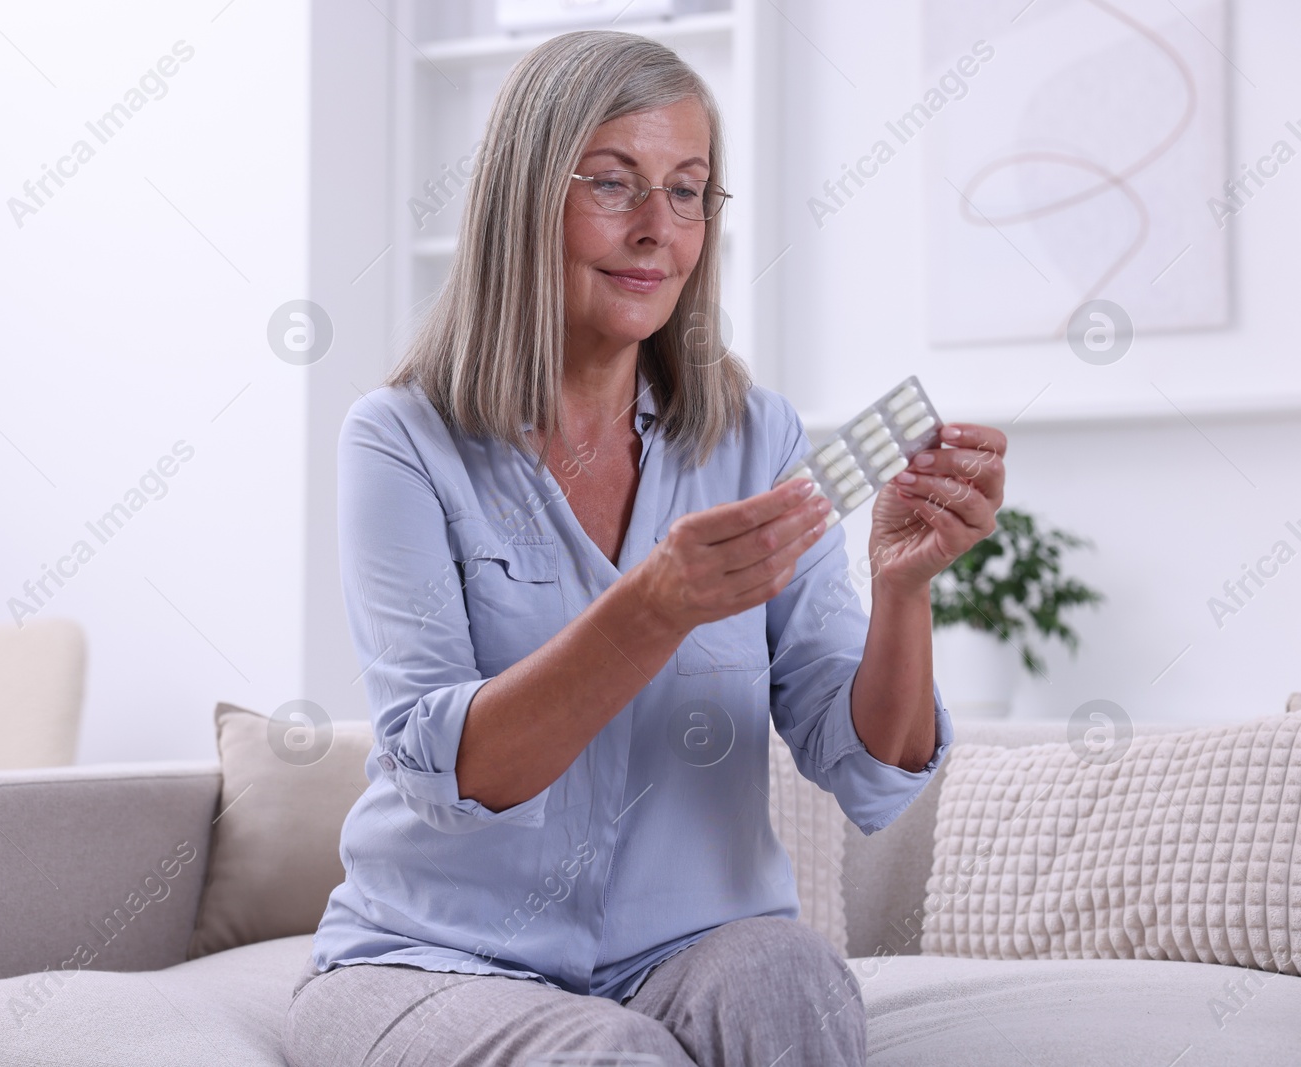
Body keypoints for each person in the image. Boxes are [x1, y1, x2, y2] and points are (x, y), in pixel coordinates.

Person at [283, 28, 1007, 1067]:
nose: (655, 231)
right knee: (605, 1053)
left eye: (688, 192)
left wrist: (902, 592)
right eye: (614, 185)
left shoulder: (755, 436)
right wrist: (653, 604)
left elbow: (864, 770)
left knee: (792, 976)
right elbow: (449, 772)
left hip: (687, 945)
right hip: (434, 958)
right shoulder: (401, 439)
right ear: (526, 198)